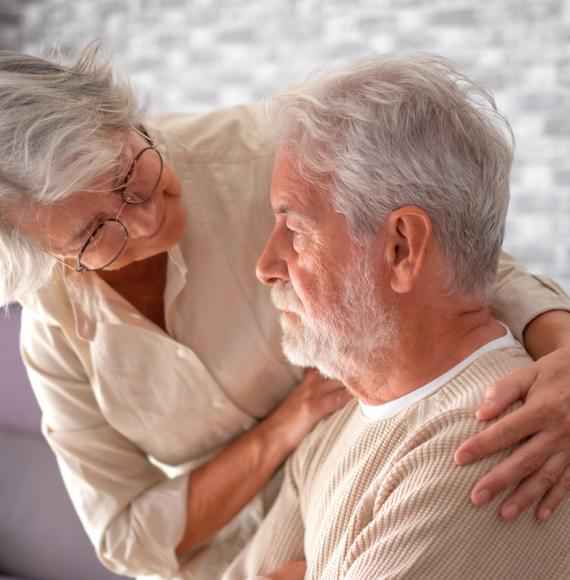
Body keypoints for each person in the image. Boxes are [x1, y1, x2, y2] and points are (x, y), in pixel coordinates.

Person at [0, 45, 569, 578]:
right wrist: (285, 430)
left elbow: (452, 256)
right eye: (95, 232)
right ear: (51, 256)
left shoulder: (264, 157)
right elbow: (125, 539)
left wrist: (566, 354)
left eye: (131, 176)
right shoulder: (54, 327)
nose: (146, 221)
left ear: (127, 121)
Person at [224, 53, 570, 580]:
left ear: (402, 249)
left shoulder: (492, 446)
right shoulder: (339, 418)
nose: (265, 266)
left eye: (294, 231)